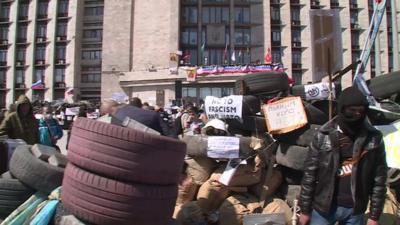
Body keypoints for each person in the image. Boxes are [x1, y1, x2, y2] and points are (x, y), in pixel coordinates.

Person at [299, 87, 388, 225]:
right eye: (351, 111)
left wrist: (374, 216)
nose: (357, 115)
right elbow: (309, 175)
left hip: (354, 210)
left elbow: (379, 180)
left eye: (360, 111)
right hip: (323, 208)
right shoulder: (323, 135)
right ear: (342, 109)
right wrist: (304, 210)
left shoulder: (373, 138)